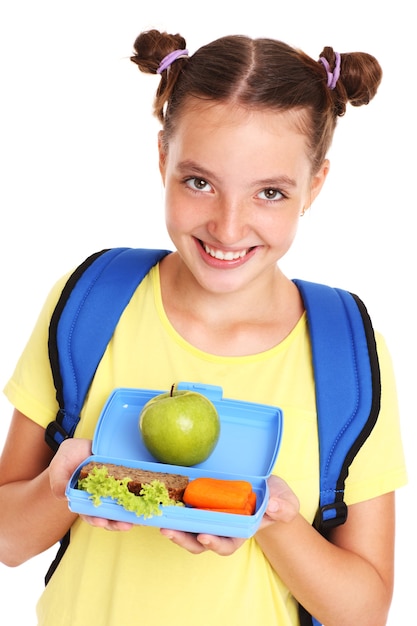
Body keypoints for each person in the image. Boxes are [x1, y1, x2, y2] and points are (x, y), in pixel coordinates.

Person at [0, 29, 407, 626]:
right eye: (199, 182)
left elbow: (364, 611)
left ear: (314, 186)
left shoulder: (345, 350)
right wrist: (65, 484)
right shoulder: (89, 302)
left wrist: (271, 516)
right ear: (163, 159)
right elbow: (8, 539)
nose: (228, 226)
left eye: (269, 192)